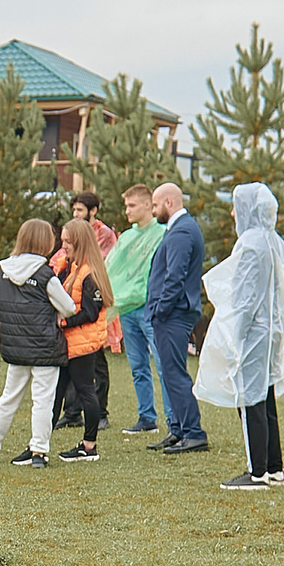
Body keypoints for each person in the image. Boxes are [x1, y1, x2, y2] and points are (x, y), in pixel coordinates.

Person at [196, 183, 284, 490]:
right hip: (272, 331)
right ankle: (274, 467)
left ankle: (257, 472)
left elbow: (245, 297)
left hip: (255, 333)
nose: (232, 212)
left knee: (250, 398)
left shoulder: (251, 244)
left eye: (235, 205)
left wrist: (233, 336)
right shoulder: (276, 242)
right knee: (265, 396)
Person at [0, 217, 76, 468]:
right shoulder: (45, 275)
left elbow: (2, 303)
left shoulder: (3, 271)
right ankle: (39, 452)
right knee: (43, 400)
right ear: (45, 242)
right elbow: (68, 307)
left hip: (16, 347)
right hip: (44, 346)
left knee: (9, 397)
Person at [143, 181, 209, 453]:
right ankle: (180, 429)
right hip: (173, 312)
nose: (154, 210)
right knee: (171, 373)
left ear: (169, 202)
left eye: (156, 205)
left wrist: (160, 308)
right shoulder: (182, 228)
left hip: (173, 314)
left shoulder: (182, 231)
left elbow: (175, 276)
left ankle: (193, 432)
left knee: (174, 372)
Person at [55, 216, 116, 462]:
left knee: (85, 391)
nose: (64, 246)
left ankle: (89, 445)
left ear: (80, 242)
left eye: (68, 242)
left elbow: (91, 312)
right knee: (56, 392)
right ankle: (39, 442)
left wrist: (64, 322)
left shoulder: (90, 273)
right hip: (70, 342)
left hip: (83, 343)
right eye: (62, 242)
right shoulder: (71, 269)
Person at [106, 185, 164, 434]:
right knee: (138, 366)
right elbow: (113, 268)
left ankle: (175, 421)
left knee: (163, 366)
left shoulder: (162, 233)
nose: (127, 211)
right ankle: (146, 417)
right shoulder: (127, 237)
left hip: (150, 308)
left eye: (131, 206)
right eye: (126, 205)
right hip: (128, 308)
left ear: (147, 205)